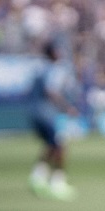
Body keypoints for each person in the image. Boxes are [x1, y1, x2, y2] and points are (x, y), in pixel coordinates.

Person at [27, 41, 80, 201]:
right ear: (52, 53)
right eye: (58, 50)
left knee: (51, 145)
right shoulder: (54, 69)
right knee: (60, 146)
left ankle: (37, 178)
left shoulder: (39, 68)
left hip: (34, 112)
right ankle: (58, 183)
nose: (61, 53)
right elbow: (51, 91)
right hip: (46, 114)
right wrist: (67, 107)